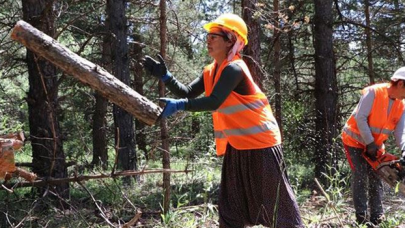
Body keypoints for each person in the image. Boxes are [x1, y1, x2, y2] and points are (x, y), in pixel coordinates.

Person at [142, 13, 303, 228]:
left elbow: (214, 101)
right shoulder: (210, 71)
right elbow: (188, 92)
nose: (208, 39)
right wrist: (166, 77)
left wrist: (180, 105)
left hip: (262, 144)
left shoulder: (234, 68)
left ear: (231, 40)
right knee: (231, 209)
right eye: (208, 35)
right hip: (237, 145)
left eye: (214, 36)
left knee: (277, 208)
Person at [342, 67, 405, 226]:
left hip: (375, 146)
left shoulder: (401, 104)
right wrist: (369, 142)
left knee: (376, 178)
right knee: (360, 176)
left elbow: (401, 132)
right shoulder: (373, 92)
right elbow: (360, 118)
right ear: (400, 84)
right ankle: (361, 218)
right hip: (354, 141)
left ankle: (377, 217)